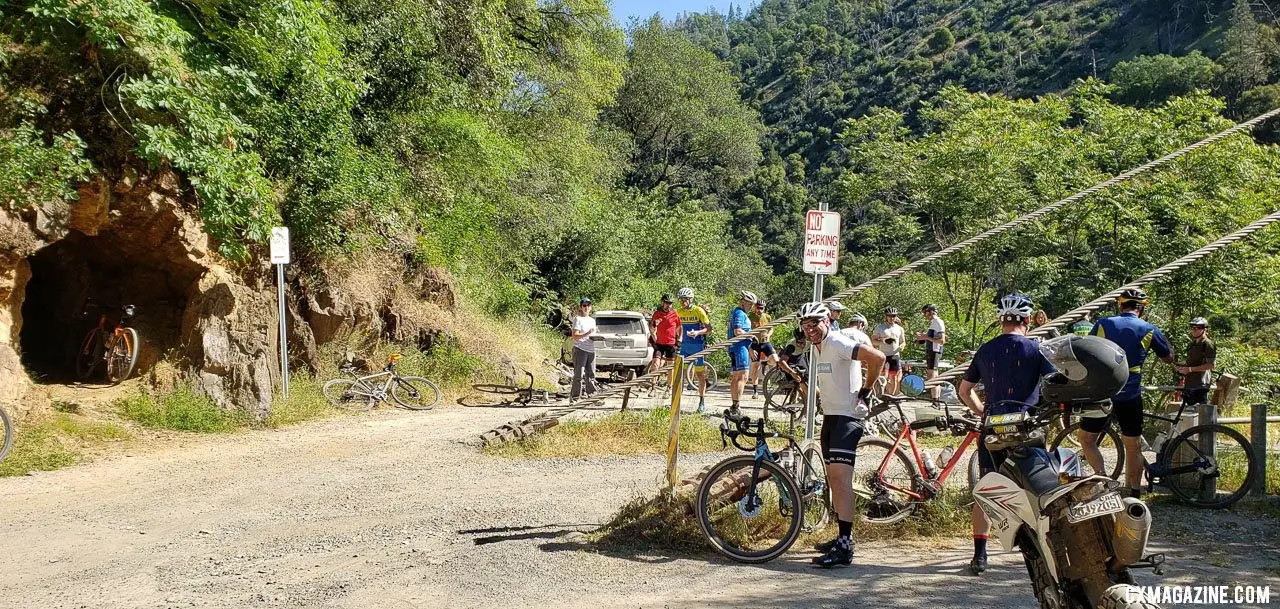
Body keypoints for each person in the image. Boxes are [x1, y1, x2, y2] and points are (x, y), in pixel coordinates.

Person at [959, 293, 1056, 576]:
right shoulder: (1037, 349)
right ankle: (1043, 549)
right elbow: (1053, 385)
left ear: (1001, 321)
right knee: (1038, 489)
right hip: (1027, 427)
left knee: (987, 489)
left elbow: (965, 391)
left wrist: (982, 413)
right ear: (1027, 320)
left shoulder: (986, 350)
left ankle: (979, 556)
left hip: (992, 426)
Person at [797, 302, 885, 568]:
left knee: (841, 479)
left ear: (827, 322)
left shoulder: (837, 342)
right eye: (805, 325)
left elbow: (877, 358)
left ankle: (845, 546)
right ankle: (841, 537)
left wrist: (866, 391)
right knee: (834, 481)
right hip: (831, 417)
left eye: (815, 324)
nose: (810, 330)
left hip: (848, 416)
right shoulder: (817, 348)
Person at [1082, 287, 1174, 495]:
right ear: (1140, 309)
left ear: (1120, 305)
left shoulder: (1103, 323)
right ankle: (1133, 490)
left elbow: (1086, 348)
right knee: (1133, 445)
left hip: (1102, 393)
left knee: (1087, 440)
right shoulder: (1149, 329)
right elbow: (1168, 357)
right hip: (1131, 394)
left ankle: (1102, 481)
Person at [675, 287, 712, 413]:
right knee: (680, 374)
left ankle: (701, 402)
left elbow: (709, 329)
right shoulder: (678, 312)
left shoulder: (698, 311)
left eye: (684, 300)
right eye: (680, 300)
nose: (682, 302)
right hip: (685, 346)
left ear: (690, 299)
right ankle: (676, 403)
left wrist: (697, 332)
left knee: (700, 375)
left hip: (698, 346)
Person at [727, 291, 757, 414]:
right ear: (743, 302)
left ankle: (734, 404)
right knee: (742, 376)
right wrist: (752, 336)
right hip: (739, 347)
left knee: (736, 377)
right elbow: (738, 331)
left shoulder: (736, 312)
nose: (751, 307)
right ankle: (736, 406)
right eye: (750, 304)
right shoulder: (739, 313)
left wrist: (749, 347)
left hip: (737, 346)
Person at [1177, 317, 1216, 407]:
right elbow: (1192, 363)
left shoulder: (1208, 344)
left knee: (1200, 414)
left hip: (1200, 385)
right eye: (1192, 328)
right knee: (1188, 413)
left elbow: (1211, 365)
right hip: (1189, 384)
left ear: (1204, 329)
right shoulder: (1193, 344)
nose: (1194, 330)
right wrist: (1182, 367)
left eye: (1197, 328)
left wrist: (1190, 369)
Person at [648, 293, 680, 394]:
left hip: (671, 343)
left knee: (670, 367)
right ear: (662, 303)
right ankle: (653, 387)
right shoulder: (657, 313)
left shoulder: (675, 314)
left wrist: (679, 340)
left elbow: (679, 327)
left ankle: (669, 388)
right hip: (659, 344)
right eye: (666, 303)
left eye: (670, 303)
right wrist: (654, 325)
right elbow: (652, 329)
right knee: (655, 364)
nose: (668, 305)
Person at [569, 297, 599, 401]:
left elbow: (592, 334)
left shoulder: (592, 320)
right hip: (580, 349)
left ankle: (593, 397)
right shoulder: (578, 319)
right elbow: (575, 336)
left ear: (591, 307)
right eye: (584, 305)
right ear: (581, 307)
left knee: (591, 374)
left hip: (591, 349)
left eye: (588, 305)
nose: (586, 307)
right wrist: (587, 333)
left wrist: (596, 337)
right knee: (579, 375)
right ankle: (574, 398)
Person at [747, 299, 779, 396]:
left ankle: (765, 363)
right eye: (758, 307)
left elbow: (771, 328)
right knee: (755, 366)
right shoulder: (750, 317)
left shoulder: (767, 317)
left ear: (764, 308)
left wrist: (769, 335)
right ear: (754, 307)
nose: (759, 310)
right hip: (754, 343)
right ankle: (755, 390)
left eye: (761, 308)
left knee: (776, 360)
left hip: (765, 342)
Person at [915, 303, 947, 399]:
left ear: (931, 312)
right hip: (931, 350)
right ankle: (935, 398)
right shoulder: (933, 322)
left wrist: (925, 337)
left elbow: (942, 340)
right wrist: (923, 337)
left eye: (925, 313)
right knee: (932, 375)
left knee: (933, 375)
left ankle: (935, 400)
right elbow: (932, 337)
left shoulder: (938, 322)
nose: (924, 316)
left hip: (935, 351)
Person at [873, 307, 905, 395]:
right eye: (890, 316)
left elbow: (903, 341)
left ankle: (891, 396)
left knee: (893, 377)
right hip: (883, 354)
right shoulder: (880, 327)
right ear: (886, 316)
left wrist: (902, 346)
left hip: (894, 355)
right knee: (881, 376)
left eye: (894, 316)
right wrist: (883, 341)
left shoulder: (899, 328)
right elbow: (873, 341)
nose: (892, 318)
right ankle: (880, 395)